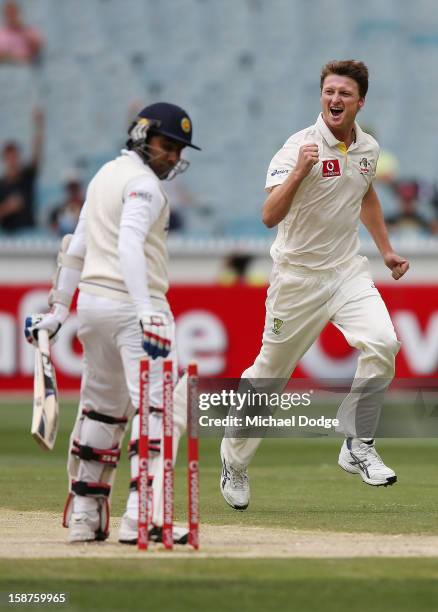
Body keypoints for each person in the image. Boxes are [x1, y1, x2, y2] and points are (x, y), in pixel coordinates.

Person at [220, 60, 409, 511]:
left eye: (344, 93)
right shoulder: (297, 147)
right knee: (269, 377)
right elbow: (269, 216)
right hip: (297, 279)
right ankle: (234, 460)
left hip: (346, 270)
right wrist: (299, 173)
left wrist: (384, 249)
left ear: (360, 101)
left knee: (384, 343)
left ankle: (356, 443)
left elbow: (365, 192)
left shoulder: (367, 148)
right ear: (320, 97)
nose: (335, 100)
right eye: (328, 92)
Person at [24, 102, 201, 543]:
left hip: (93, 307)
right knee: (160, 410)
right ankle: (144, 516)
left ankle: (86, 515)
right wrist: (146, 311)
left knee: (102, 408)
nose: (174, 157)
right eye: (167, 146)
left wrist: (59, 310)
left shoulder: (103, 175)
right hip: (134, 308)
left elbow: (76, 245)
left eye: (179, 150)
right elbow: (128, 245)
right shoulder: (144, 186)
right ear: (142, 137)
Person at [0, 108, 44, 233]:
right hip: (9, 239)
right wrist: (8, 207)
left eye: (15, 156)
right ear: (4, 159)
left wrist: (39, 125)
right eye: (10, 157)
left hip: (29, 234)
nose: (13, 160)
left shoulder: (27, 176)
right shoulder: (2, 185)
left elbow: (37, 153)